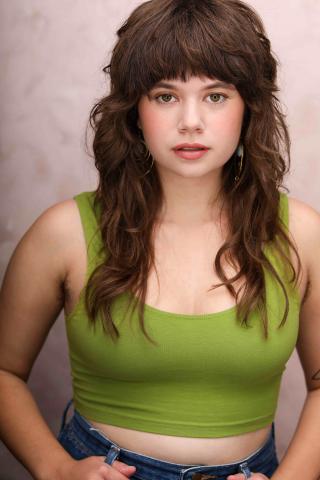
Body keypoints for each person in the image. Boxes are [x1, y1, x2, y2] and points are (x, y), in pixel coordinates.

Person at [0, 0, 319, 479]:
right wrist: (56, 469)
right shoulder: (62, 233)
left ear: (249, 107)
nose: (190, 121)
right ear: (133, 110)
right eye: (165, 95)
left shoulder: (302, 234)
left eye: (215, 95)